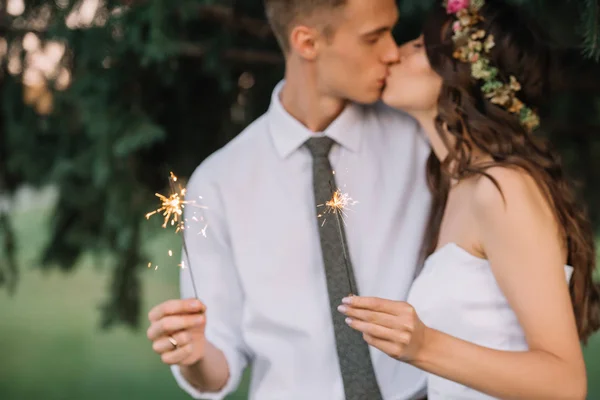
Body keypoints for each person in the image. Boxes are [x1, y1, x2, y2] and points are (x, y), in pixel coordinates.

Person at [146, 0, 433, 399]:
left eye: (391, 31)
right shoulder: (219, 182)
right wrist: (193, 357)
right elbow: (218, 365)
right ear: (307, 42)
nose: (391, 52)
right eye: (373, 37)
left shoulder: (421, 143)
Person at [336, 0, 600, 399]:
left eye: (420, 47)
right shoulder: (456, 188)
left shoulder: (503, 188)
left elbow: (566, 384)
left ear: (464, 73)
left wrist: (425, 346)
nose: (393, 53)